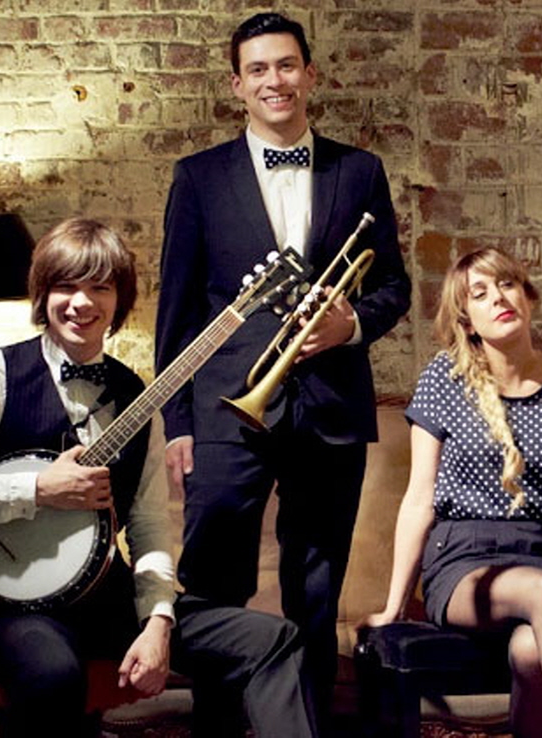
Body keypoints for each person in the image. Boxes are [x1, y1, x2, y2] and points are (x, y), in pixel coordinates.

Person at [0, 218, 316, 738]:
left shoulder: (139, 398)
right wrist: (35, 489)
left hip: (109, 601)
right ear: (43, 293)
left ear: (119, 301)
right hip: (13, 609)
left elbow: (149, 528)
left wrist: (158, 623)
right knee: (53, 673)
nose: (82, 303)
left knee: (270, 639)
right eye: (65, 286)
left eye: (100, 287)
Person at [154, 11, 412, 723]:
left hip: (329, 407)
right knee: (213, 582)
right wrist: (178, 422)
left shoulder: (359, 171)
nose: (276, 80)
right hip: (225, 409)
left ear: (311, 74)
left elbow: (394, 285)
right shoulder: (199, 177)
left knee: (317, 589)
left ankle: (307, 726)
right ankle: (217, 729)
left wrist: (350, 325)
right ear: (237, 85)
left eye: (287, 65)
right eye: (259, 69)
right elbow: (176, 310)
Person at [362, 247, 542, 738]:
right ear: (467, 321)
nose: (498, 298)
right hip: (465, 564)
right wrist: (394, 606)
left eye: (507, 284)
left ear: (529, 298)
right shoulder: (444, 380)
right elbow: (420, 497)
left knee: (532, 650)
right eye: (480, 293)